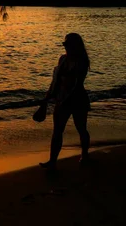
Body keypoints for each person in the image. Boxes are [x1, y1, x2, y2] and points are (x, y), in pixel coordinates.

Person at [40, 33, 91, 169]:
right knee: (57, 131)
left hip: (78, 99)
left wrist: (64, 100)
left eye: (68, 44)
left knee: (81, 129)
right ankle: (52, 161)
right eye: (65, 44)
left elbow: (76, 83)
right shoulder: (62, 59)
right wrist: (47, 97)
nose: (66, 47)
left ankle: (85, 155)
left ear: (76, 45)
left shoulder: (82, 61)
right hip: (62, 98)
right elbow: (56, 81)